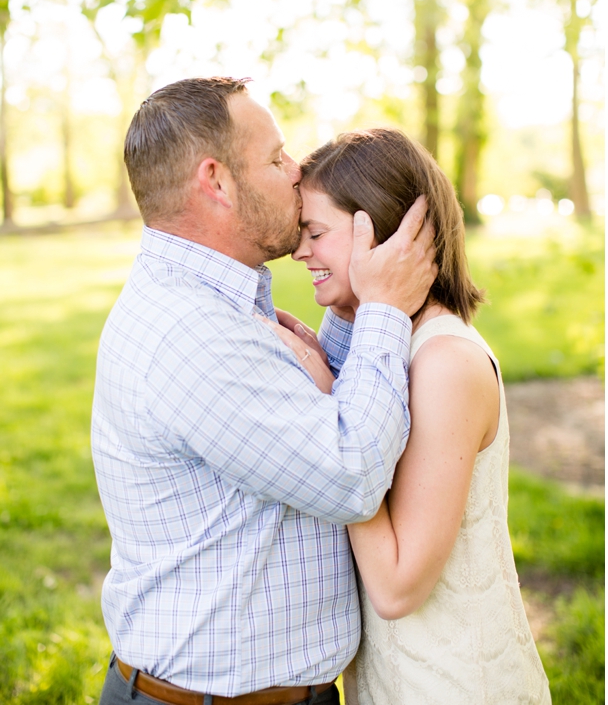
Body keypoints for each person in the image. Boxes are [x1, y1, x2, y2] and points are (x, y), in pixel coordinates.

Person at [92, 77, 437, 704]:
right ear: (217, 181)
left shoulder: (218, 304)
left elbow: (325, 404)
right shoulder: (191, 333)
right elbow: (352, 475)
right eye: (276, 157)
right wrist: (384, 307)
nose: (297, 167)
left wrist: (354, 293)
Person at [280, 128, 550, 703]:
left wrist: (331, 408)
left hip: (454, 683)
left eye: (316, 233)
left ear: (380, 235)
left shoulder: (446, 362)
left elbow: (399, 587)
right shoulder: (394, 347)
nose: (299, 252)